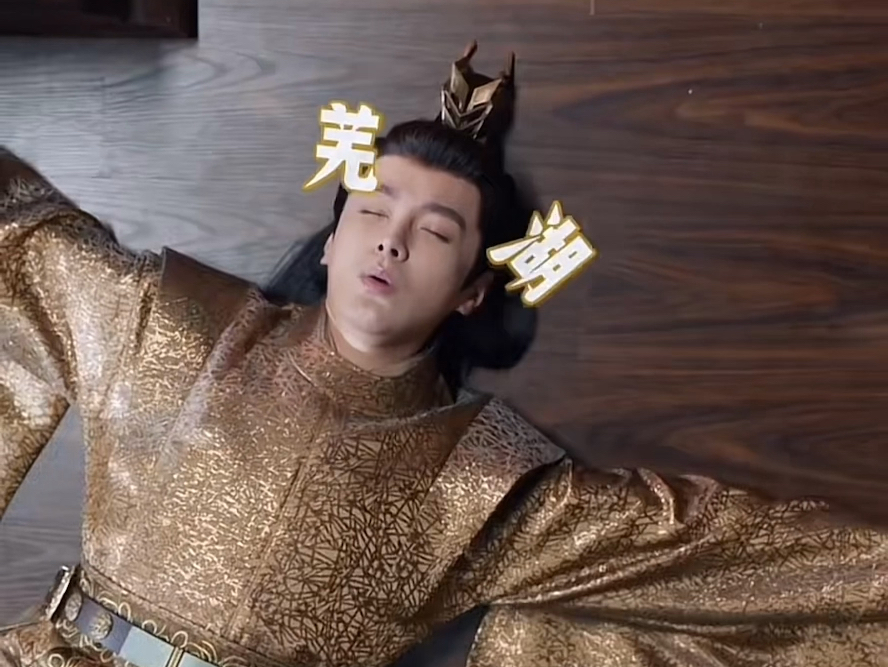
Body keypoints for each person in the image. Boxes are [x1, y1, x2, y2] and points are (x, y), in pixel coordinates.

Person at [1, 42, 886, 667]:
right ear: (334, 236)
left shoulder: (481, 477)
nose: (392, 240)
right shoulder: (175, 322)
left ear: (471, 290)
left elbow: (709, 546)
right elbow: (24, 238)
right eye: (373, 208)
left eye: (435, 231)